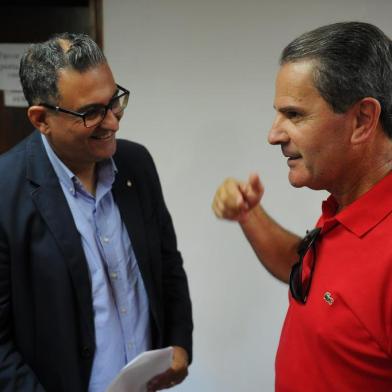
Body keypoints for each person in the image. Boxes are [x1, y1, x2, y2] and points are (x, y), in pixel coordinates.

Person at [0, 33, 192, 392]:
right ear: (41, 119)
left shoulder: (137, 165)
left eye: (114, 101)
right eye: (91, 112)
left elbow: (167, 265)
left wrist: (180, 341)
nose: (113, 122)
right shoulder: (5, 192)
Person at [212, 21, 392, 391]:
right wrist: (249, 215)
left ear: (362, 120)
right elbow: (308, 273)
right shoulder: (345, 208)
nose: (273, 134)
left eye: (294, 114)